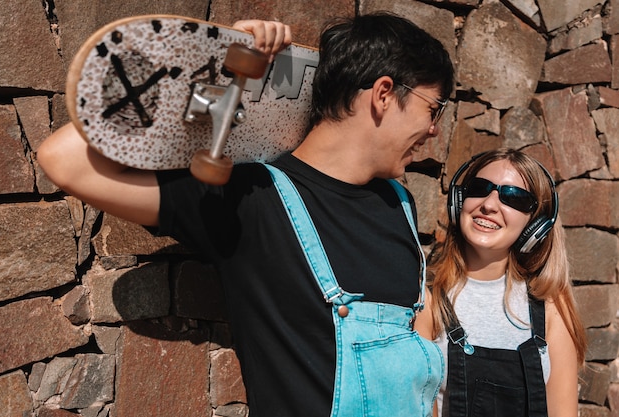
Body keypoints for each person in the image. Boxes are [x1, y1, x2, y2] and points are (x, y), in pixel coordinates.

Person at [37, 13, 454, 417]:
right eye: (433, 108)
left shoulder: (398, 202)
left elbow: (415, 355)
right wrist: (215, 64)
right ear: (383, 94)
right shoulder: (250, 200)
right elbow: (64, 159)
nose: (434, 129)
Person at [427, 149, 587, 417]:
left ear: (536, 226)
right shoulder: (428, 298)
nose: (489, 204)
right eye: (479, 188)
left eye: (514, 198)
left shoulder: (549, 309)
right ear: (459, 200)